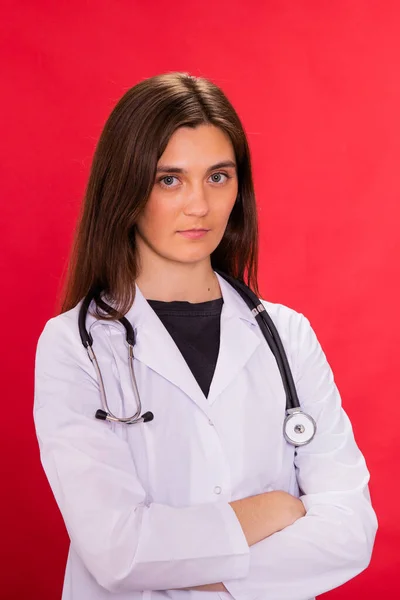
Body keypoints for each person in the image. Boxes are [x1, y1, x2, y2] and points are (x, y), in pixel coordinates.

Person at [33, 71, 378, 600]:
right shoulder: (74, 347)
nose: (199, 205)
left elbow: (350, 531)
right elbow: (118, 552)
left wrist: (184, 568)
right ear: (125, 187)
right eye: (169, 179)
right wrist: (276, 510)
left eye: (218, 177)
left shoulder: (288, 336)